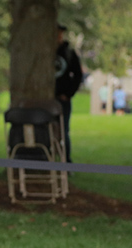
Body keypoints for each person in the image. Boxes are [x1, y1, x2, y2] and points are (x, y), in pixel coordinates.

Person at [54, 24, 83, 163]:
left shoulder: (69, 53)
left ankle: (66, 161)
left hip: (62, 99)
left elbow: (78, 75)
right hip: (46, 99)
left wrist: (68, 93)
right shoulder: (42, 53)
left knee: (64, 131)